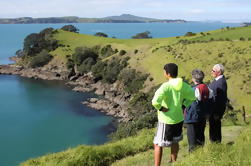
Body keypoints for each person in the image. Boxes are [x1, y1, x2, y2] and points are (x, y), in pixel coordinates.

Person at [152, 63, 195, 166]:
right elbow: (193, 97)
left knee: (157, 144)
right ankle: (174, 162)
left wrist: (161, 108)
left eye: (164, 71)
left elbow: (155, 102)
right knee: (175, 141)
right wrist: (184, 105)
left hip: (166, 120)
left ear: (168, 74)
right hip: (179, 118)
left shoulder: (165, 86)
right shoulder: (184, 85)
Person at [184, 69, 213, 152]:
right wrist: (208, 113)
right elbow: (211, 102)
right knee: (200, 138)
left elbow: (187, 103)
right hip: (202, 116)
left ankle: (193, 160)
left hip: (192, 117)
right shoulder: (207, 88)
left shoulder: (193, 90)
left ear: (193, 78)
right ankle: (200, 156)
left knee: (192, 141)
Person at [208, 64, 228, 143]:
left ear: (219, 72)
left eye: (213, 71)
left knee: (215, 131)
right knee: (213, 130)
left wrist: (217, 113)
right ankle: (215, 146)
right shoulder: (218, 80)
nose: (211, 72)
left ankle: (216, 148)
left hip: (215, 112)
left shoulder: (221, 83)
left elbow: (221, 100)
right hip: (213, 111)